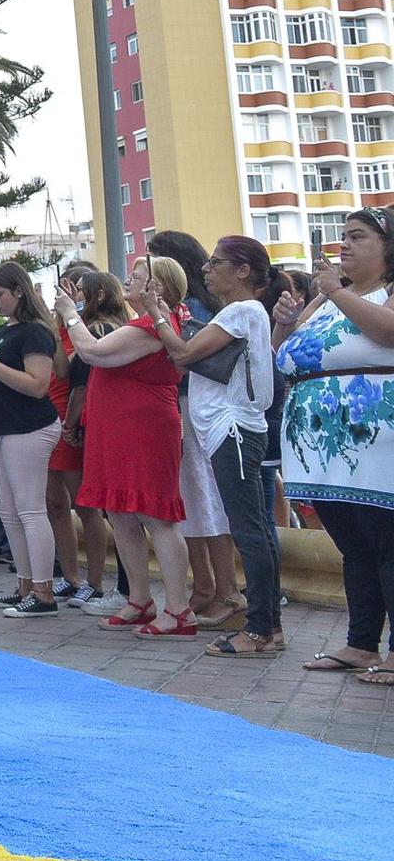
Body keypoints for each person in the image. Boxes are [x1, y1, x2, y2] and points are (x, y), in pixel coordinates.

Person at [141, 235, 286, 657]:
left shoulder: (241, 310)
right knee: (253, 528)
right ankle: (268, 625)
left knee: (248, 531)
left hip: (233, 429)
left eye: (216, 262)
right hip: (235, 428)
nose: (206, 269)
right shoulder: (244, 312)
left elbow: (184, 353)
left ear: (242, 271)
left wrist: (155, 314)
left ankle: (259, 628)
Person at [274, 207, 394, 684]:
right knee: (354, 546)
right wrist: (284, 323)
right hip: (324, 446)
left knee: (388, 544)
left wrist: (336, 291)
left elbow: (387, 332)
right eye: (342, 236)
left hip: (373, 440)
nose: (344, 245)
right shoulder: (327, 300)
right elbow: (284, 357)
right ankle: (360, 642)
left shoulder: (353, 294)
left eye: (358, 237)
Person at [55, 257, 196, 637]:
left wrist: (70, 313)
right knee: (120, 512)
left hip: (144, 428)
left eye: (135, 276)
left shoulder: (152, 326)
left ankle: (178, 608)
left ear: (158, 288)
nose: (125, 281)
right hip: (119, 428)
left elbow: (93, 352)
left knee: (157, 516)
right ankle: (140, 599)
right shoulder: (145, 323)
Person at [0, 263, 62, 616]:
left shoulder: (34, 332)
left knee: (30, 509)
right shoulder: (5, 331)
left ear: (20, 291)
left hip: (30, 427)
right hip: (7, 428)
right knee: (9, 509)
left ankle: (43, 590)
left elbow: (37, 385)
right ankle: (26, 583)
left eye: (0, 295)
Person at [47, 263, 112, 609]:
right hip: (49, 416)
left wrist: (70, 318)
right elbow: (54, 367)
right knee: (55, 504)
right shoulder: (60, 326)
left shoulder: (91, 328)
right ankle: (69, 576)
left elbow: (74, 370)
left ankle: (95, 581)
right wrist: (54, 321)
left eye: (75, 289)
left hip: (72, 420)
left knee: (86, 505)